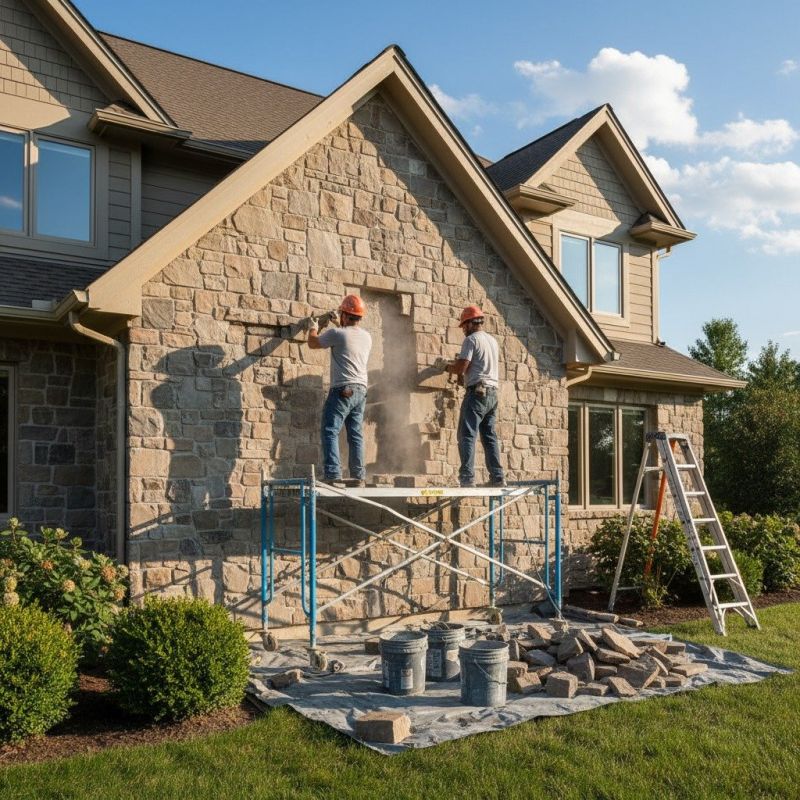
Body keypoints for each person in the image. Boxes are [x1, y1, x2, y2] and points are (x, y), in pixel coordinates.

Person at [307, 294, 372, 486]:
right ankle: (358, 476)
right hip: (361, 390)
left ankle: (333, 474)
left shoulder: (337, 334)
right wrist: (338, 323)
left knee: (330, 430)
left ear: (344, 314)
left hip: (343, 389)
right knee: (355, 433)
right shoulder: (366, 337)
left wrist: (313, 327)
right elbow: (347, 339)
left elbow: (313, 343)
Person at [444, 305, 505, 488]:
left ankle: (467, 478)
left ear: (471, 323)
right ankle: (497, 477)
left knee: (467, 435)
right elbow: (479, 365)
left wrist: (447, 367)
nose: (463, 329)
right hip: (492, 393)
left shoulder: (471, 340)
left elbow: (462, 367)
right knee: (489, 436)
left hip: (477, 393)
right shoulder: (492, 341)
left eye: (464, 325)